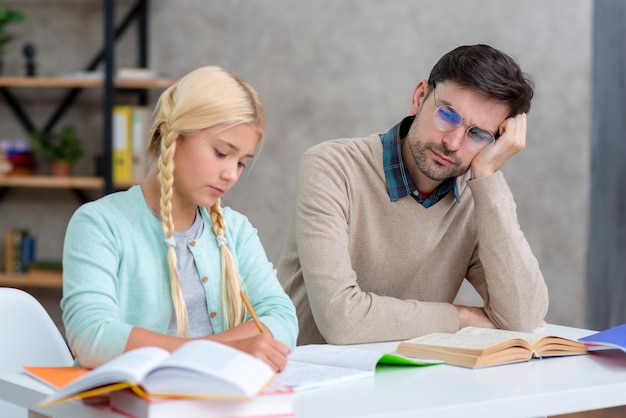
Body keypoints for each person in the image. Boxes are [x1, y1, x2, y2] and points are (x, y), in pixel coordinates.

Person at [277, 44, 549, 345]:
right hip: (309, 381)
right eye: (447, 115)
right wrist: (464, 318)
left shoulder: (477, 200)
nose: (454, 143)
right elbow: (342, 321)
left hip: (413, 383)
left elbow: (523, 318)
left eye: (478, 134)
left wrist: (488, 178)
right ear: (420, 97)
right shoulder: (332, 166)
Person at [62, 66, 298, 370]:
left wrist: (211, 353)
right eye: (221, 152)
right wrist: (222, 351)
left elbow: (282, 318)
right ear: (173, 136)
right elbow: (92, 337)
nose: (231, 174)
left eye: (241, 163)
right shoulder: (99, 224)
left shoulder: (236, 231)